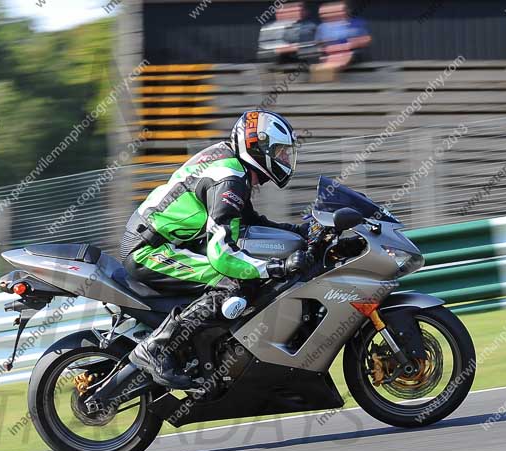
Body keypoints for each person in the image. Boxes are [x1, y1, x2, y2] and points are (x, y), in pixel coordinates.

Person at [120, 110, 309, 389]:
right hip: (150, 250)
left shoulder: (233, 168)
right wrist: (274, 267)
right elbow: (222, 253)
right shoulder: (229, 179)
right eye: (279, 152)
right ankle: (156, 348)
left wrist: (300, 233)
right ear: (259, 148)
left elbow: (248, 221)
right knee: (233, 284)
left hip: (168, 241)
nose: (283, 160)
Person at [312, 1, 371, 82]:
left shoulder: (356, 23)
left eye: (336, 12)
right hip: (329, 55)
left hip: (351, 54)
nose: (330, 15)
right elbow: (319, 43)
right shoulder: (322, 27)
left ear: (345, 11)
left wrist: (349, 45)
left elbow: (366, 39)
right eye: (325, 13)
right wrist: (324, 48)